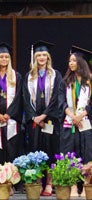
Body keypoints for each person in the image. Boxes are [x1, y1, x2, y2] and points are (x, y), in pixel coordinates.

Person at [23, 41, 62, 196]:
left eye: (44, 55)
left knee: (51, 151)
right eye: (38, 55)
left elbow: (56, 98)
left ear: (48, 57)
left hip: (49, 120)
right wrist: (34, 117)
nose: (41, 57)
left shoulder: (55, 75)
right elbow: (25, 99)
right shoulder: (28, 76)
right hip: (34, 122)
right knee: (35, 150)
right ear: (35, 58)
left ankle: (50, 184)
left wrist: (44, 115)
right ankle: (38, 182)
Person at [58, 45, 92, 197]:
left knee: (86, 153)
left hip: (85, 123)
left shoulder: (90, 82)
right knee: (69, 153)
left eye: (73, 60)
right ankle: (72, 185)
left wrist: (82, 114)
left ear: (81, 62)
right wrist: (72, 116)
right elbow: (61, 102)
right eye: (69, 61)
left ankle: (85, 186)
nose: (71, 63)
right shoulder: (65, 82)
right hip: (69, 123)